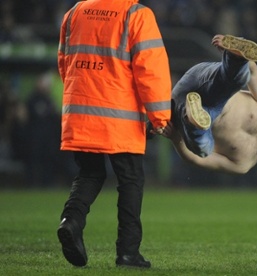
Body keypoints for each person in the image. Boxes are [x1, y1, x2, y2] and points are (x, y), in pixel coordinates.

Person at [56, 0, 171, 269]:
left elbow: (64, 63)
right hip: (121, 117)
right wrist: (159, 117)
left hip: (81, 111)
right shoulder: (137, 14)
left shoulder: (75, 12)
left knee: (89, 174)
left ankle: (70, 221)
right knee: (131, 180)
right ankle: (127, 254)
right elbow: (150, 71)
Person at [159, 34, 257, 174]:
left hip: (180, 110)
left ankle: (194, 117)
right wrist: (230, 46)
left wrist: (175, 137)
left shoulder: (243, 163)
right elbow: (253, 70)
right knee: (238, 80)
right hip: (204, 81)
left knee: (203, 149)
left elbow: (196, 159)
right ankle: (233, 58)